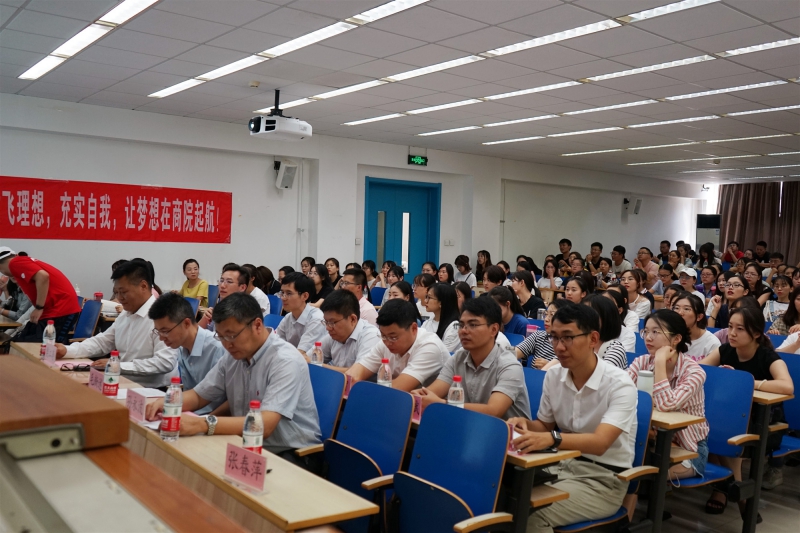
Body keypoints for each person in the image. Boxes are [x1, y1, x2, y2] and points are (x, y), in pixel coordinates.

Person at [509, 304, 637, 533]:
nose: (559, 347)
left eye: (568, 338)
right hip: (557, 465)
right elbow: (544, 425)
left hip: (602, 479)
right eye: (554, 337)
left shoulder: (620, 384)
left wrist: (552, 439)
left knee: (531, 517)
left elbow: (600, 443)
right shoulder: (553, 375)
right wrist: (524, 424)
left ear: (593, 339)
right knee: (503, 499)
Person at [144, 293, 322, 459]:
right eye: (221, 337)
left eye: (231, 336)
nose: (227, 344)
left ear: (257, 325)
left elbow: (264, 425)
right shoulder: (233, 356)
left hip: (292, 453)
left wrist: (202, 424)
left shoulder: (284, 360)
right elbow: (199, 396)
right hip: (247, 442)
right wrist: (167, 402)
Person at [700, 307, 793, 517]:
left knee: (720, 430)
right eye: (730, 327)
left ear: (757, 333)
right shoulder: (725, 350)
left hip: (764, 424)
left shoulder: (767, 356)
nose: (732, 333)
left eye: (740, 329)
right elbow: (699, 371)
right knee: (712, 426)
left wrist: (746, 382)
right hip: (727, 419)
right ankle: (737, 491)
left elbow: (787, 387)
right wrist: (719, 376)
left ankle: (728, 489)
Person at [626, 309, 709, 518]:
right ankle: (629, 519)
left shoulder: (694, 372)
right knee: (625, 466)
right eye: (646, 331)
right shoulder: (641, 362)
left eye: (656, 332)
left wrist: (660, 363)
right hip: (650, 441)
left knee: (635, 472)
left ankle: (630, 521)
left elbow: (666, 404)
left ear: (676, 339)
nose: (648, 337)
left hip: (689, 450)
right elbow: (620, 394)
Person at [57, 260, 178, 388]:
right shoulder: (126, 313)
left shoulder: (163, 315)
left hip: (153, 390)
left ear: (143, 286)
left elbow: (164, 362)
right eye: (116, 292)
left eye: (123, 292)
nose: (119, 298)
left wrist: (118, 366)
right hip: (122, 382)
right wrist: (67, 350)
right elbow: (102, 342)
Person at [413, 296, 532, 420]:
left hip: (505, 430)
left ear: (494, 329)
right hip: (468, 425)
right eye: (461, 325)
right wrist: (421, 396)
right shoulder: (458, 357)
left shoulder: (510, 366)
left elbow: (493, 411)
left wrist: (441, 404)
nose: (464, 331)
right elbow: (433, 392)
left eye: (473, 325)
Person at [346, 299, 450, 391]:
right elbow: (359, 369)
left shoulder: (430, 347)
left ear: (414, 329)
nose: (387, 342)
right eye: (383, 335)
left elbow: (397, 389)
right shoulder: (385, 341)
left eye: (393, 337)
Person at [148, 293, 226, 413]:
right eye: (158, 332)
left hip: (213, 418)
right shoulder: (181, 347)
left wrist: (204, 421)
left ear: (186, 323)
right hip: (190, 412)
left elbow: (230, 400)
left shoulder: (218, 349)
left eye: (165, 331)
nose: (161, 338)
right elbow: (192, 393)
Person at [0, 247, 80, 343]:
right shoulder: (22, 261)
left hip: (61, 309)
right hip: (51, 310)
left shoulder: (14, 263)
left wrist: (39, 308)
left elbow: (43, 276)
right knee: (21, 342)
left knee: (46, 346)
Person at [317, 290, 380, 370]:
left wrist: (317, 364)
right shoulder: (334, 335)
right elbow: (310, 357)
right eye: (326, 322)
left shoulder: (371, 336)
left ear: (353, 319)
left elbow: (357, 373)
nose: (328, 328)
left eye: (332, 322)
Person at [275, 272, 326, 355]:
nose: (283, 298)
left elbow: (301, 353)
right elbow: (274, 344)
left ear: (305, 296)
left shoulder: (317, 318)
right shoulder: (288, 317)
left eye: (289, 293)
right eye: (282, 293)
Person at [515, 300, 569, 368]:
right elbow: (514, 353)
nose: (546, 319)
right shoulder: (538, 335)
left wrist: (549, 367)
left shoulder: (568, 346)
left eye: (552, 315)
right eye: (546, 314)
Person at [582, 294, 628, 369]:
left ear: (606, 318)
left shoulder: (615, 348)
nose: (584, 319)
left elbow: (602, 374)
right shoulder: (579, 343)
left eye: (590, 314)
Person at [198, 265, 249, 330]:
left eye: (229, 282)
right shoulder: (221, 306)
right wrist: (205, 319)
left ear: (242, 287)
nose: (222, 286)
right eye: (221, 281)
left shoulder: (244, 313)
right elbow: (196, 333)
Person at [672, 293, 720, 361]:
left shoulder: (712, 343)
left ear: (699, 317)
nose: (680, 313)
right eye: (676, 308)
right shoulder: (668, 336)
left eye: (686, 309)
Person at [421, 282, 461, 352]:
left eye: (429, 297)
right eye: (426, 297)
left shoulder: (455, 326)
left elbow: (443, 353)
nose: (425, 301)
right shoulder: (428, 322)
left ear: (441, 303)